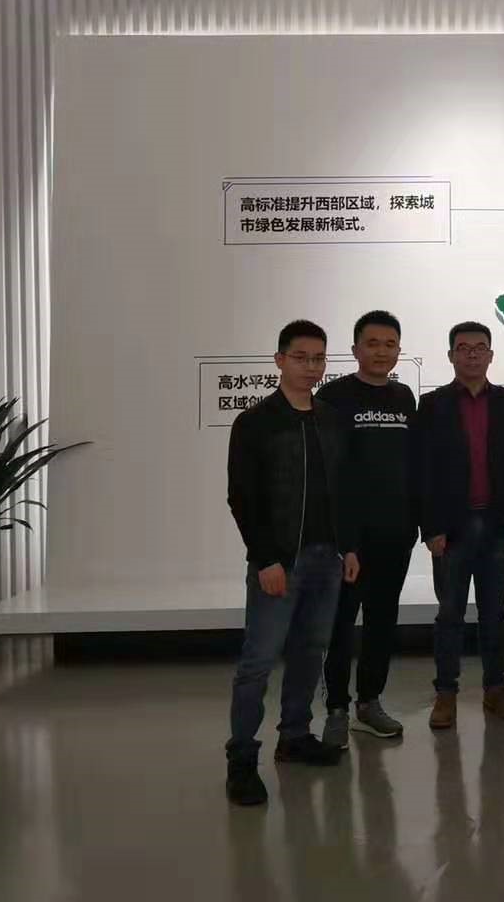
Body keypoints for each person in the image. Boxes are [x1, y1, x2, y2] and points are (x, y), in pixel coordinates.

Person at [224, 319, 360, 806]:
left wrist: (349, 547)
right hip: (280, 562)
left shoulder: (331, 419)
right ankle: (242, 759)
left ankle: (295, 736)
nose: (310, 366)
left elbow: (343, 490)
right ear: (280, 360)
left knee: (310, 650)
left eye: (318, 358)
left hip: (328, 558)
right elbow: (242, 498)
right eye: (301, 357)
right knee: (258, 662)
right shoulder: (256, 422)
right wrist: (265, 559)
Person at [415, 321, 504, 730]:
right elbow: (423, 471)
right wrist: (431, 528)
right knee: (449, 613)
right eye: (463, 348)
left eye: (479, 347)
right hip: (452, 529)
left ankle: (495, 688)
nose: (471, 354)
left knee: (494, 613)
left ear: (490, 355)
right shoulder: (432, 405)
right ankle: (445, 693)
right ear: (451, 355)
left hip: (498, 525)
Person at [317, 310, 418, 747]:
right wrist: (345, 541)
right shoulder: (334, 397)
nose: (381, 351)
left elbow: (411, 466)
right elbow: (330, 474)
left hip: (395, 534)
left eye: (389, 344)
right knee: (341, 624)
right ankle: (337, 708)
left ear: (398, 350)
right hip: (349, 541)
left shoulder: (404, 397)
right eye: (372, 343)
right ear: (356, 349)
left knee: (382, 621)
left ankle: (369, 702)